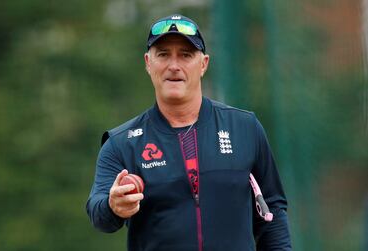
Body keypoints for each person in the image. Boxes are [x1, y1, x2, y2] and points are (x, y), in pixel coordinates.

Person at [86, 14, 292, 251]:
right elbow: (98, 213)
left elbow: (272, 212)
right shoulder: (121, 143)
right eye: (163, 54)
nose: (174, 65)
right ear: (147, 63)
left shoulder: (245, 127)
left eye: (185, 55)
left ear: (203, 64)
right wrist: (113, 206)